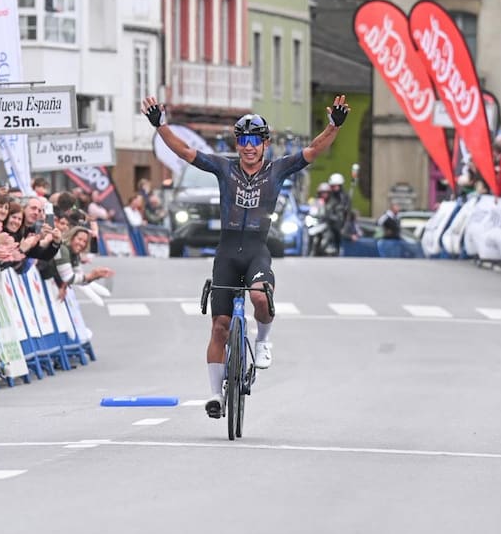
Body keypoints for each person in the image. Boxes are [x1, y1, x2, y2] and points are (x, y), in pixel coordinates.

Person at [143, 94, 349, 419]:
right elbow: (184, 151)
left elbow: (314, 150)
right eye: (243, 140)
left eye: (254, 140)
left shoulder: (277, 169)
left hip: (256, 250)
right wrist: (160, 125)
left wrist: (334, 126)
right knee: (219, 328)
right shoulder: (224, 168)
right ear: (237, 143)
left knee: (260, 298)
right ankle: (215, 395)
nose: (248, 146)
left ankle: (264, 340)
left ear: (265, 144)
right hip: (225, 253)